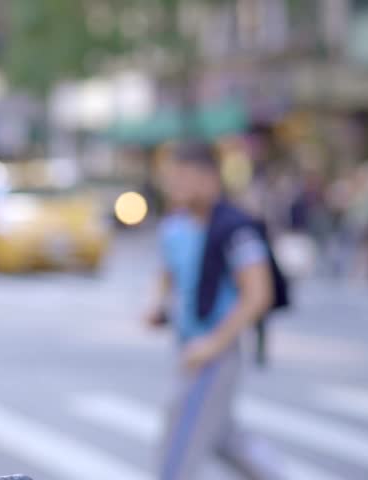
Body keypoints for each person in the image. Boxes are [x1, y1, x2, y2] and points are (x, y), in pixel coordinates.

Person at [144, 142, 284, 480]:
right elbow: (169, 275)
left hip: (214, 354)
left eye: (182, 178)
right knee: (224, 439)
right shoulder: (176, 227)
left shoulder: (235, 228)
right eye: (170, 179)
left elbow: (258, 294)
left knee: (179, 450)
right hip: (188, 347)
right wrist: (158, 306)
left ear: (209, 179)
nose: (174, 187)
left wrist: (213, 344)